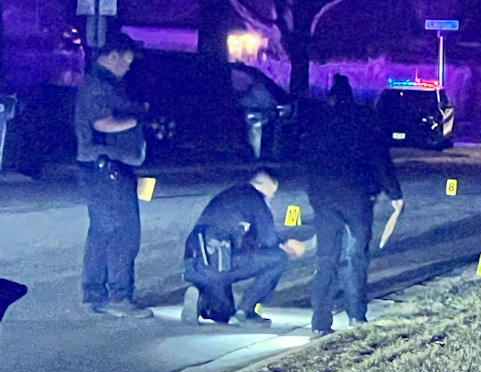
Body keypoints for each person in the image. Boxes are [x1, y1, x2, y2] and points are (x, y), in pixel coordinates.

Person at [304, 74, 404, 338]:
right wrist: (393, 192)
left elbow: (305, 156)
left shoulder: (319, 123)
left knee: (326, 258)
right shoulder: (363, 122)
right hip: (356, 197)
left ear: (331, 98)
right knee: (356, 257)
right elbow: (378, 157)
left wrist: (314, 191)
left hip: (323, 197)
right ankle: (356, 316)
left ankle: (319, 322)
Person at [74, 32, 151, 318]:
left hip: (103, 168)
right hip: (108, 168)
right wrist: (136, 119)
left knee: (102, 231)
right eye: (127, 58)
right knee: (124, 232)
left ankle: (95, 292)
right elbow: (102, 124)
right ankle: (120, 296)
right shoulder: (98, 86)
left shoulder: (105, 84)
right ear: (113, 55)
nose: (129, 65)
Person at [181, 169, 305, 326]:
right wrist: (287, 244)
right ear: (264, 184)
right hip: (219, 264)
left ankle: (201, 299)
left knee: (223, 314)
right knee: (278, 258)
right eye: (271, 192)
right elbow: (268, 238)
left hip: (195, 264)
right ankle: (245, 311)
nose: (271, 197)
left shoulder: (228, 195)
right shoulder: (254, 199)